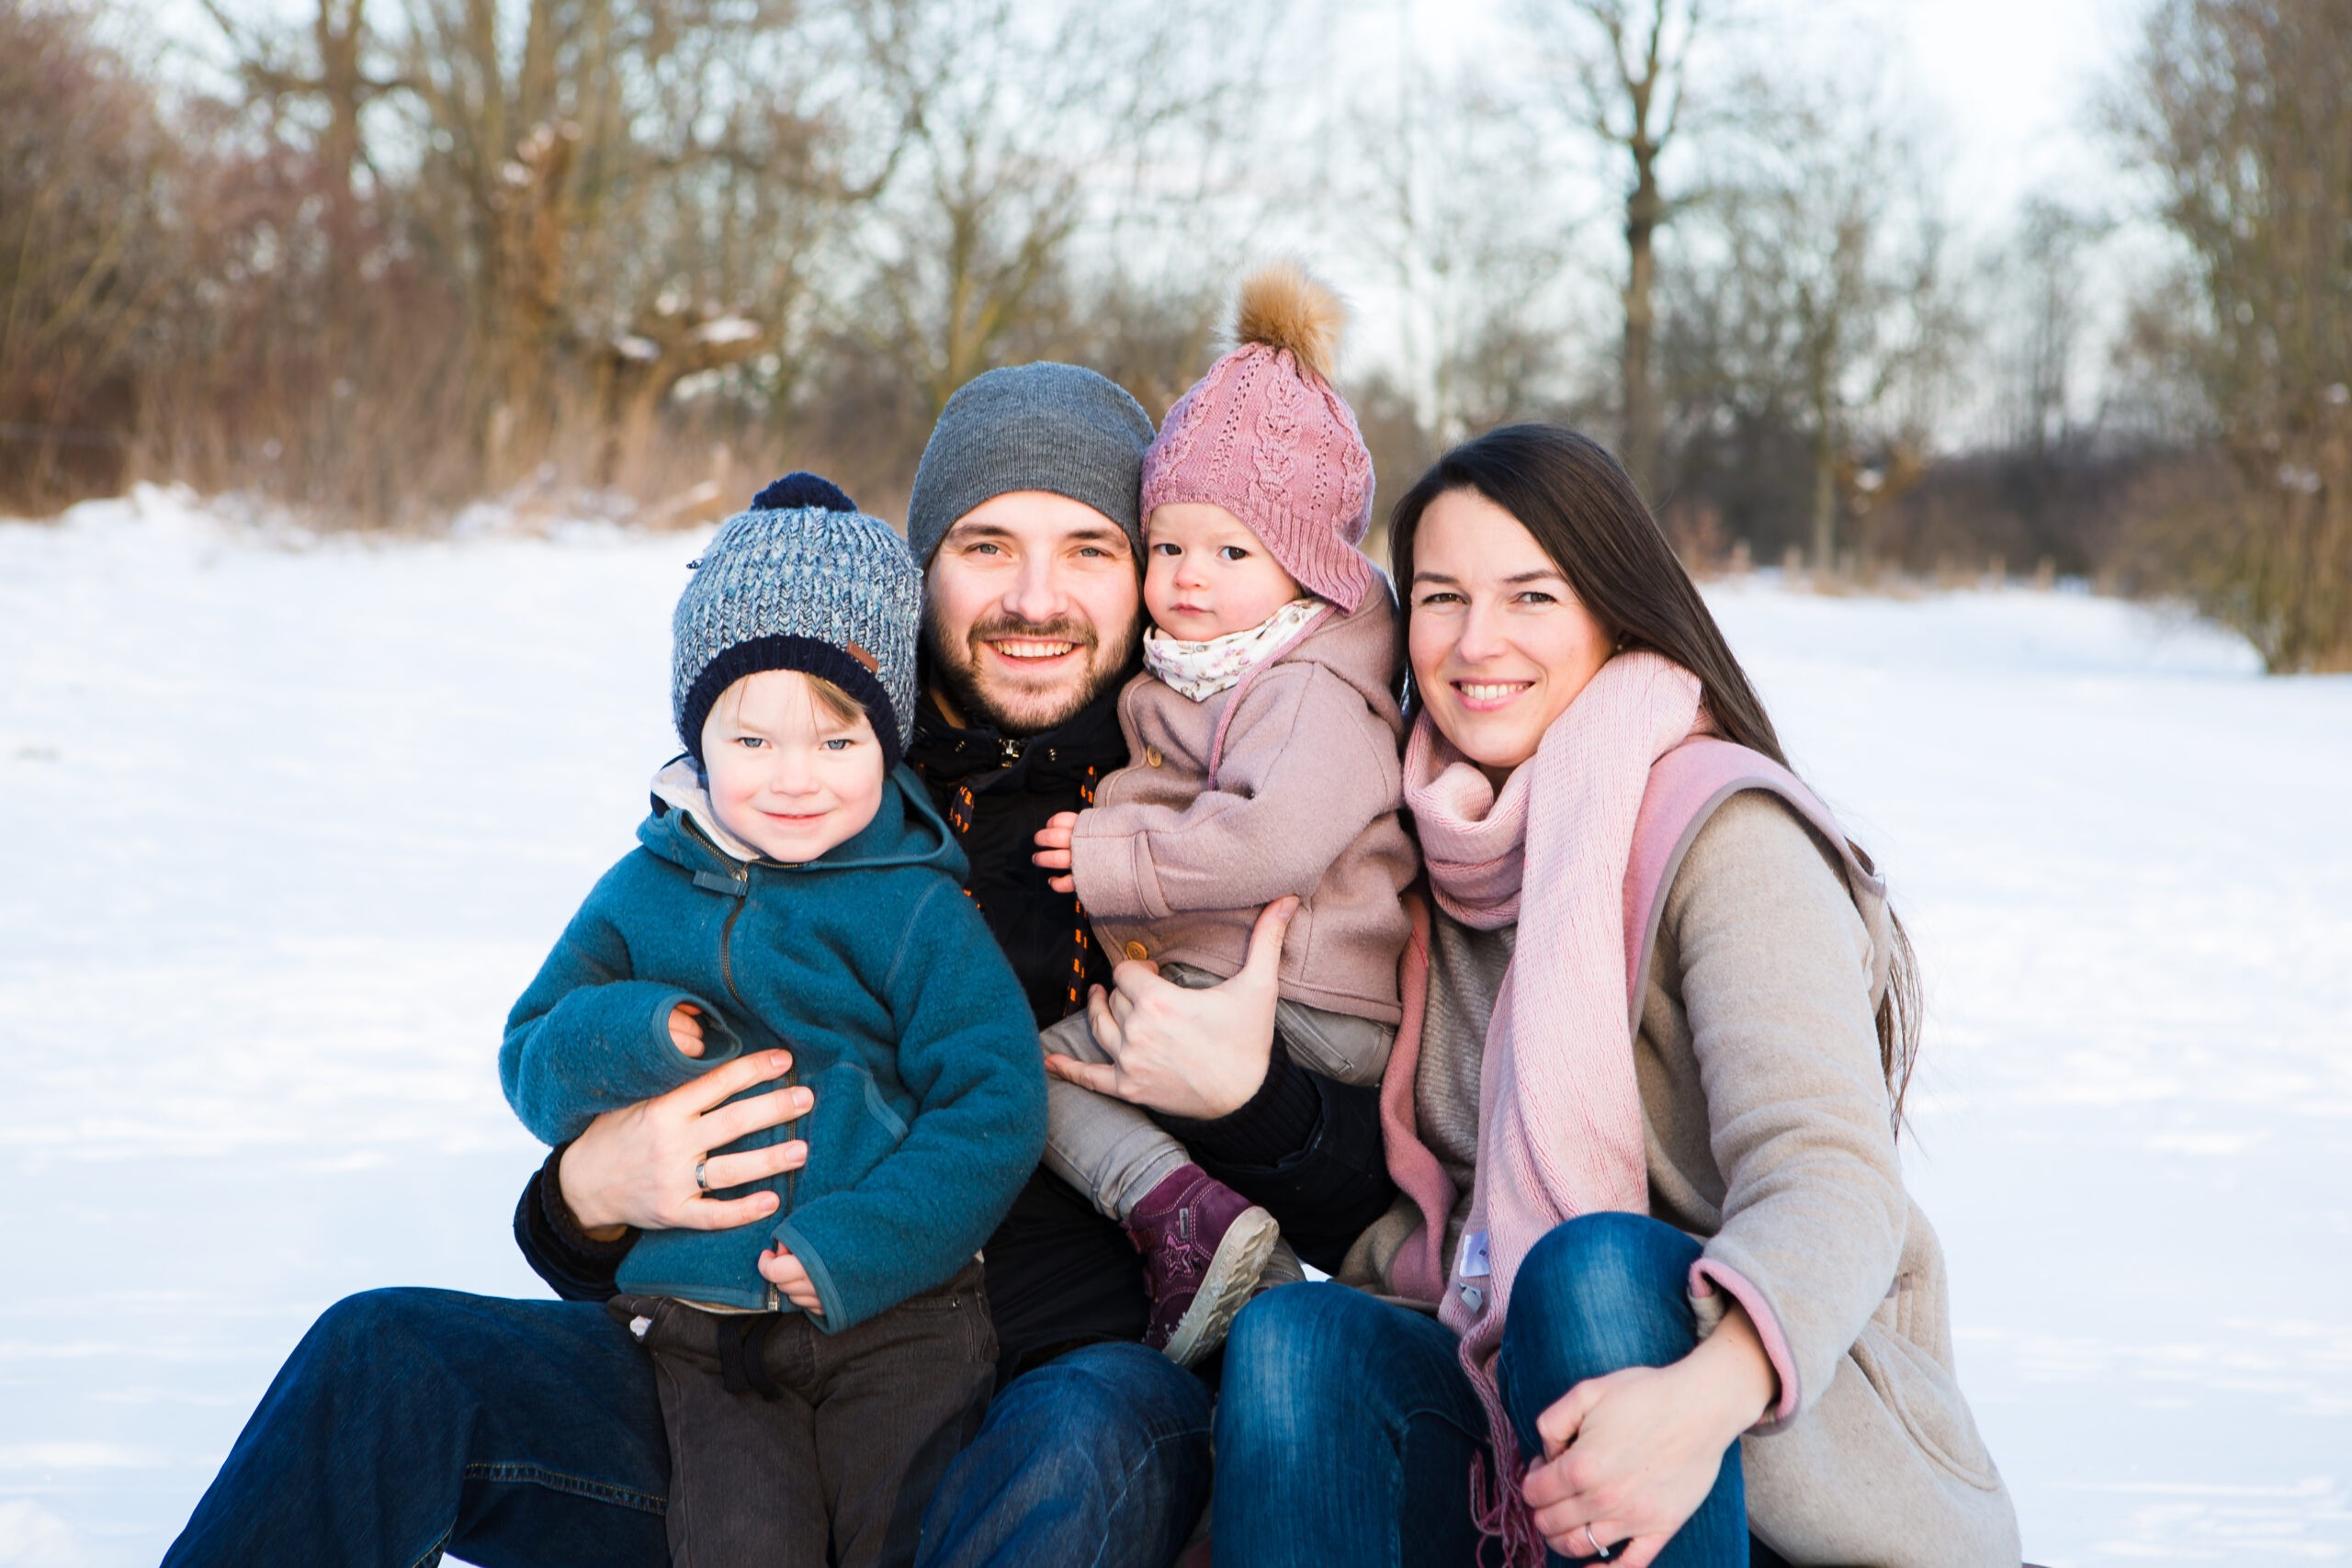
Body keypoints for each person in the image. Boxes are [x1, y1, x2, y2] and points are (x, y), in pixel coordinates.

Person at [164, 362, 1397, 1568]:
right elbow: (595, 1067)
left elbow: (1382, 1209)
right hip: (745, 1373)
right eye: (983, 545)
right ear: (920, 569)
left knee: (1078, 1437)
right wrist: (583, 1196)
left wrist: (1253, 1101)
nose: (1035, 595)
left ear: (1150, 571)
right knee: (389, 1356)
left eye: (1088, 547)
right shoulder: (800, 777)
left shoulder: (1227, 804)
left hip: (1057, 1397)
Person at [1133, 425, 2021, 1565]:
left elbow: (1831, 1179)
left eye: (1532, 596)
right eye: (1442, 597)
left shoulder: (1724, 829)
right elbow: (1421, 1233)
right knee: (1298, 1336)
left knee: (1592, 1269)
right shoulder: (1426, 849)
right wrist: (1241, 1092)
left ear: (1613, 609)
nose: (1476, 640)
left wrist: (1699, 1401)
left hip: (1765, 1441)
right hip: (1512, 1411)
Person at [498, 473, 1045, 1567]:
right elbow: (532, 1053)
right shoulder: (645, 887)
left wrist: (860, 1243)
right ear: (699, 738)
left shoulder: (914, 905)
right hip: (702, 1329)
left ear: (888, 741)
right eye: (752, 745)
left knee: (901, 1536)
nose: (795, 780)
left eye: (837, 744)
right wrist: (637, 1033)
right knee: (740, 1541)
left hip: (898, 1320)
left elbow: (994, 1103)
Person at [1028, 264, 1417, 1366]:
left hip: (1303, 994)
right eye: (1169, 547)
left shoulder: (1309, 690)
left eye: (1231, 552)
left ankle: (1186, 1218)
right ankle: (1210, 1226)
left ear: (1305, 568)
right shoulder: (1214, 663)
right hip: (1250, 978)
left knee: (1033, 1072)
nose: (1189, 578)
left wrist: (1114, 859)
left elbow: (1273, 838)